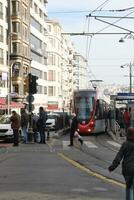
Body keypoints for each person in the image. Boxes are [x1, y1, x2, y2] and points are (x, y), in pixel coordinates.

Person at [108, 127, 134, 200]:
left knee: (129, 188)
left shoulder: (125, 144)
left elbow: (118, 157)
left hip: (127, 170)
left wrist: (112, 167)